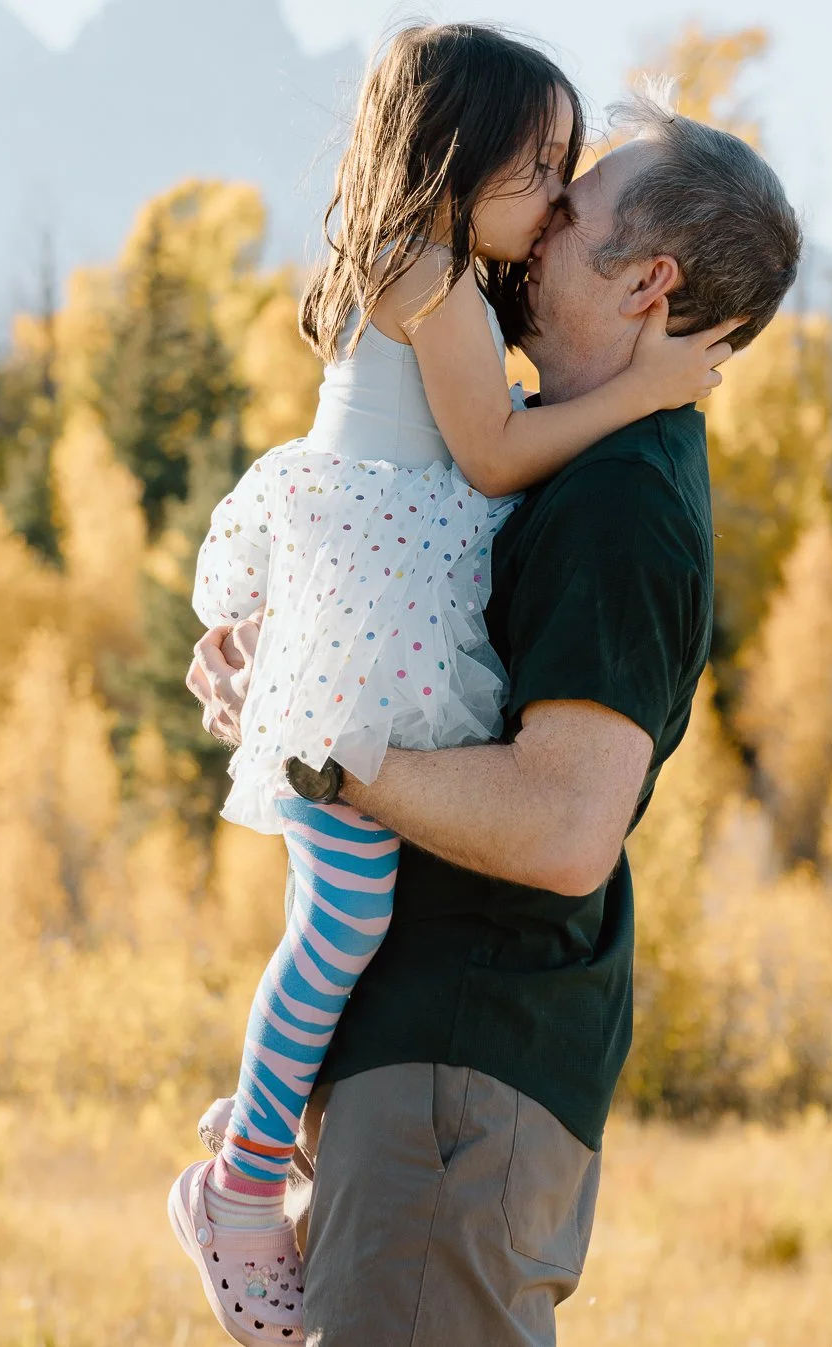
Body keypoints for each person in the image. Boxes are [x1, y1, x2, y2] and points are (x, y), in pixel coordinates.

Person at [183, 85, 800, 1345]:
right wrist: (282, 676)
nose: (533, 222)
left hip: (462, 1066)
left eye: (571, 211)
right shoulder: (559, 457)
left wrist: (322, 753)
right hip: (432, 1059)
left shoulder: (621, 500)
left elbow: (565, 822)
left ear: (646, 283)